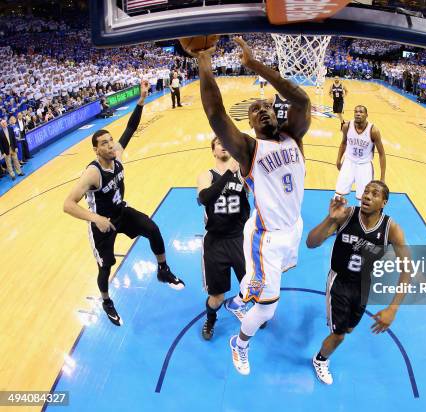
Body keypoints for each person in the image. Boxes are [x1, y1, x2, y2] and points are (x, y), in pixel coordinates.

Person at [194, 37, 310, 375]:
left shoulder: (294, 136)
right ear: (249, 125)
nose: (261, 111)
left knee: (257, 291)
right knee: (269, 308)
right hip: (265, 237)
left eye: (266, 107)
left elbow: (300, 98)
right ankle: (240, 344)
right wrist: (204, 62)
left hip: (293, 228)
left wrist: (256, 66)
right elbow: (216, 115)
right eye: (254, 111)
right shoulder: (248, 150)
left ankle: (246, 294)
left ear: (276, 113)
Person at [63, 80, 185, 327]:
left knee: (152, 229)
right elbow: (68, 204)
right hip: (102, 223)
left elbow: (131, 127)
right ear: (96, 151)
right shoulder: (93, 173)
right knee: (106, 266)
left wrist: (141, 99)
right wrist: (95, 218)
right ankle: (106, 300)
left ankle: (163, 269)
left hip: (121, 212)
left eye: (110, 141)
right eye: (104, 144)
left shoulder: (116, 156)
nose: (110, 145)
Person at [306, 181, 411, 385]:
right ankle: (320, 359)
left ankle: (336, 328)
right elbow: (311, 243)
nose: (367, 196)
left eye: (375, 193)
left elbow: (407, 270)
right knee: (338, 336)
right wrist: (330, 219)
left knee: (349, 329)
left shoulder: (392, 229)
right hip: (339, 282)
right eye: (365, 191)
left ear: (384, 202)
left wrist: (393, 308)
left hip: (363, 285)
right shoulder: (346, 215)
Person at [196, 136, 250, 340]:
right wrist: (229, 173)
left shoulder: (242, 175)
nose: (224, 144)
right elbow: (204, 198)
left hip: (240, 238)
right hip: (215, 242)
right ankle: (210, 319)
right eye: (219, 142)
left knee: (252, 287)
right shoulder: (206, 176)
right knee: (217, 297)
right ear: (213, 151)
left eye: (226, 142)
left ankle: (255, 315)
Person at [335, 105, 386, 202]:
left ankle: (362, 216)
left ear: (366, 115)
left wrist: (382, 177)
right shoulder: (347, 126)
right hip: (348, 162)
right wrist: (338, 160)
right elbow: (343, 143)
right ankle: (336, 216)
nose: (358, 114)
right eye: (356, 111)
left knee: (364, 198)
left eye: (361, 112)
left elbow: (382, 154)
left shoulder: (373, 131)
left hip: (364, 165)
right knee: (338, 194)